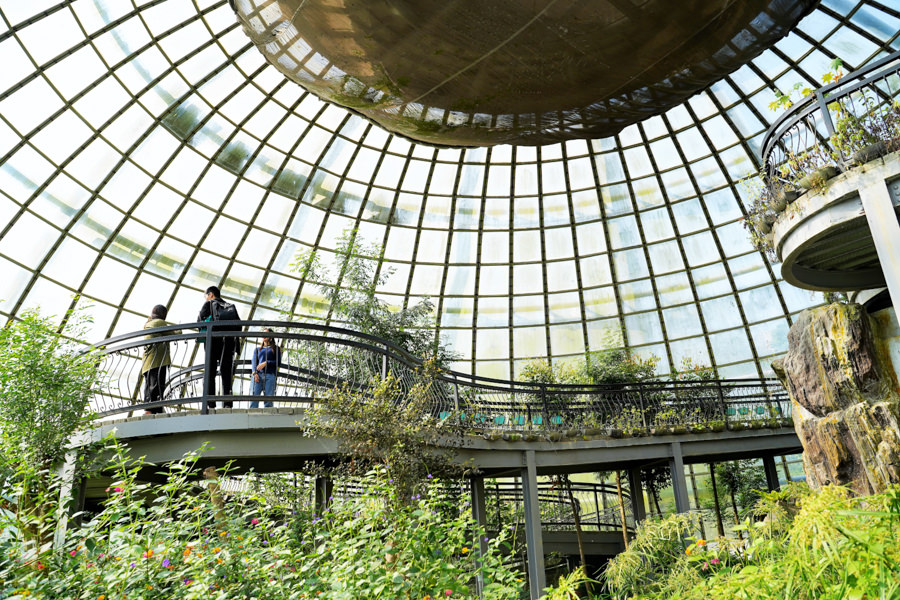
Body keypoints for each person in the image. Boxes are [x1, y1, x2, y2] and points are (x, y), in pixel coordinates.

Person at [198, 285, 240, 408]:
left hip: (213, 342)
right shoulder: (230, 306)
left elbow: (200, 323)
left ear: (210, 294)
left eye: (205, 295)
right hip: (228, 343)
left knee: (210, 372)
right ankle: (227, 403)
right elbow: (238, 325)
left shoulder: (208, 304)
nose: (205, 298)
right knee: (226, 372)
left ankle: (211, 403)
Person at [141, 304, 174, 415]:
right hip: (158, 360)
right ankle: (155, 409)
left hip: (147, 361)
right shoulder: (160, 323)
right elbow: (173, 333)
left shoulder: (148, 324)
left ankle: (148, 409)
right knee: (158, 385)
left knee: (149, 385)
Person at [250, 328, 281, 408]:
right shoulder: (257, 349)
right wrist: (254, 373)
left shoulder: (275, 349)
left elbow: (278, 362)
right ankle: (253, 417)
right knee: (254, 399)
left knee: (268, 402)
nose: (264, 336)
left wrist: (266, 363)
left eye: (266, 334)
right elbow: (254, 362)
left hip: (270, 376)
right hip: (258, 376)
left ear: (270, 336)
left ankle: (269, 419)